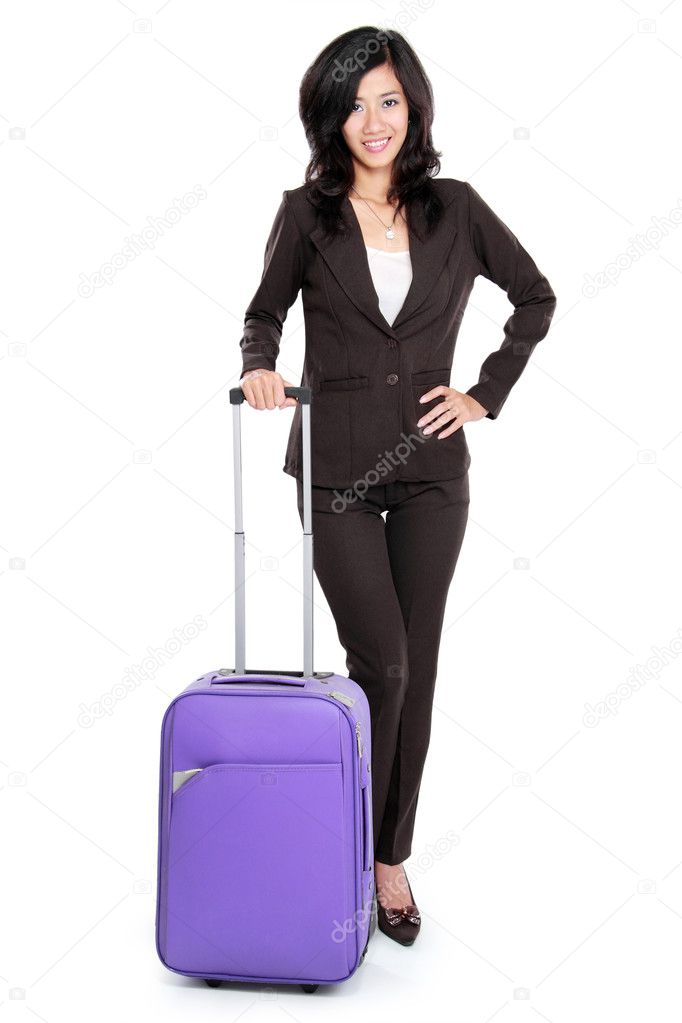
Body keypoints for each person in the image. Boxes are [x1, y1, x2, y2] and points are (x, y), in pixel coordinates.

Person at [238, 26, 556, 946]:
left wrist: (484, 395)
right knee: (382, 662)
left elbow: (534, 296)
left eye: (388, 99)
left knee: (415, 672)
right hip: (335, 466)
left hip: (430, 473)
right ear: (329, 117)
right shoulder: (306, 215)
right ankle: (341, 837)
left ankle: (387, 857)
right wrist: (261, 366)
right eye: (353, 102)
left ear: (411, 106)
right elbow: (263, 313)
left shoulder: (455, 206)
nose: (371, 120)